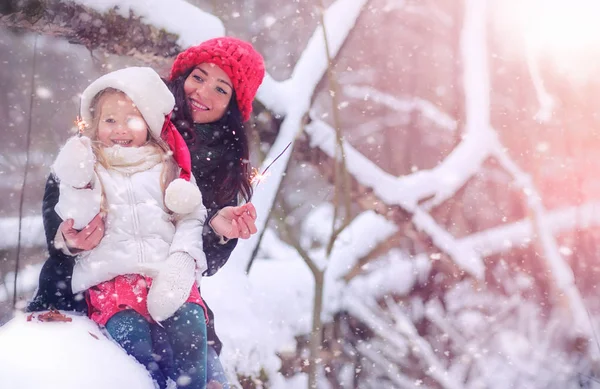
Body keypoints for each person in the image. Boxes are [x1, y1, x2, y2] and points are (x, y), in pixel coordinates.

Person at [28, 37, 265, 389]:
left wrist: (217, 230)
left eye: (221, 88)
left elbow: (206, 257)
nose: (203, 92)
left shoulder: (224, 165)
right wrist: (68, 236)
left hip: (172, 294)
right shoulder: (131, 109)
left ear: (232, 105)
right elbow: (65, 186)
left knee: (202, 373)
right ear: (182, 75)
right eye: (198, 77)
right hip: (94, 290)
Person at [51, 66, 212, 389]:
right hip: (114, 280)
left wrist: (181, 258)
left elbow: (192, 217)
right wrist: (76, 177)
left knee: (191, 326)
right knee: (132, 341)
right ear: (95, 125)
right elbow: (76, 217)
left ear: (149, 124)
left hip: (166, 276)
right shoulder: (92, 167)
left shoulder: (168, 167)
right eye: (110, 120)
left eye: (132, 120)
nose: (120, 129)